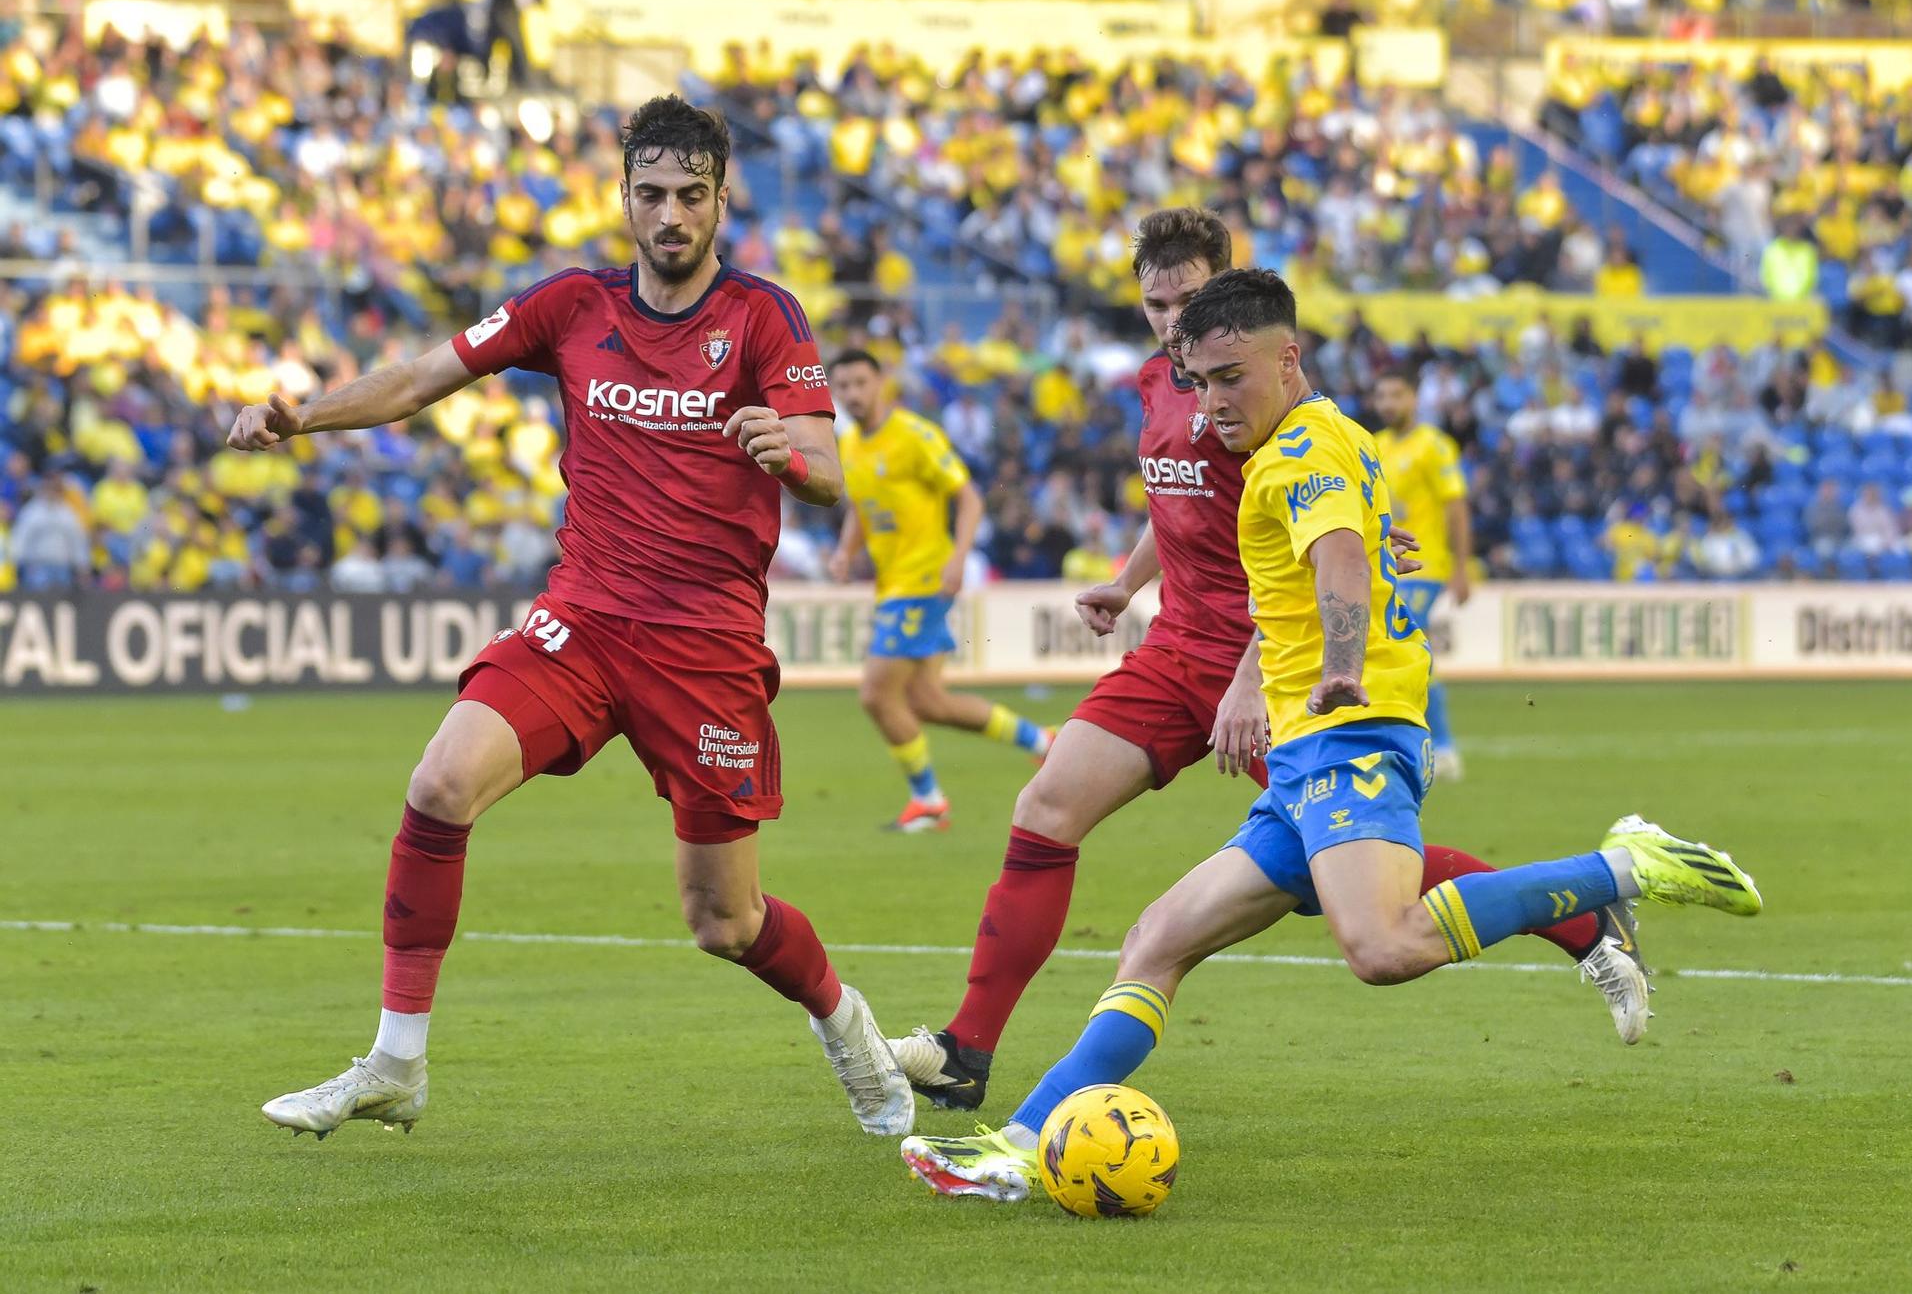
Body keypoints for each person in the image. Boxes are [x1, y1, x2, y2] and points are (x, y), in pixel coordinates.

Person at [897, 269, 1762, 1204]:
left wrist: (1339, 663)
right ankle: (1024, 1144)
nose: (1215, 401)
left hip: (1350, 733)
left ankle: (1623, 866)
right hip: (1306, 754)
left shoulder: (1303, 447)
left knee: (1381, 946)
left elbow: (1339, 559)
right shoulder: (1309, 442)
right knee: (1154, 943)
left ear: (1287, 356)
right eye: (1201, 381)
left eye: (1233, 376)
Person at [237, 95, 913, 1141]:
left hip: (704, 649)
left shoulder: (764, 318)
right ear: (625, 200)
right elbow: (422, 376)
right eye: (652, 195)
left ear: (720, 202)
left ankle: (848, 1025)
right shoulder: (569, 305)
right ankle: (394, 1060)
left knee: (724, 920)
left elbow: (826, 462)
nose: (671, 215)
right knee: (439, 782)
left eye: (692, 196)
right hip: (583, 623)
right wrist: (299, 415)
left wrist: (792, 455)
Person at [825, 348, 1052, 833]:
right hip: (894, 584)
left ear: (881, 381)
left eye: (860, 383)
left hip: (924, 580)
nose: (852, 394)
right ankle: (1041, 741)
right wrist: (847, 551)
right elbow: (862, 510)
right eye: (842, 386)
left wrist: (958, 558)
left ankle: (928, 799)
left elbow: (967, 497)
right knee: (928, 702)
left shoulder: (913, 435)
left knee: (876, 694)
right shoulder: (850, 446)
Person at [1372, 366, 1472, 780]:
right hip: (1387, 566)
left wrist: (1462, 565)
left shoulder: (1435, 446)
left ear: (1414, 398)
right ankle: (1417, 746)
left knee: (1411, 653)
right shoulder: (1375, 445)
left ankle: (1442, 747)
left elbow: (1455, 505)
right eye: (1382, 396)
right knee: (1400, 654)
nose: (1388, 404)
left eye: (1397, 394)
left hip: (1426, 564)